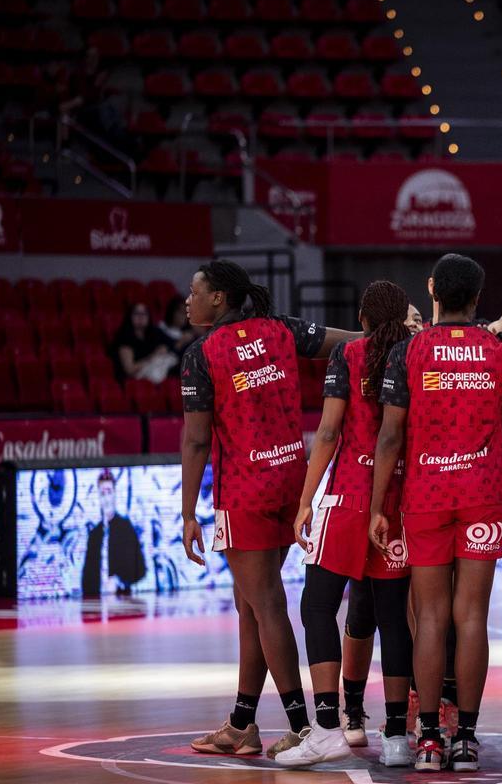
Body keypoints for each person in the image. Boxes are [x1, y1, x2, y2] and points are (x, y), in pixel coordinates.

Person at [370, 253, 502, 772]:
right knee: (471, 617)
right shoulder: (496, 349)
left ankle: (427, 740)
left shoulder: (409, 351)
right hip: (482, 493)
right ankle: (465, 739)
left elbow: (389, 436)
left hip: (424, 495)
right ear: (477, 297)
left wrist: (379, 505)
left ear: (433, 292)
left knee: (429, 618)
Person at [180, 259, 356, 759]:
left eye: (194, 291)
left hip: (246, 493)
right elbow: (349, 344)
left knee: (267, 606)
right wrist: (386, 332)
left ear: (218, 299)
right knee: (250, 606)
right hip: (290, 479)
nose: (187, 300)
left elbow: (195, 442)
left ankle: (303, 728)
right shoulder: (283, 330)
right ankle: (241, 723)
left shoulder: (202, 354)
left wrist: (189, 511)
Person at [275, 281, 416, 768]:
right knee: (394, 616)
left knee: (317, 606)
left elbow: (329, 432)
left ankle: (330, 726)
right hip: (401, 501)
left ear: (362, 318)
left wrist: (305, 498)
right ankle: (398, 735)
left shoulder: (350, 355)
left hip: (351, 494)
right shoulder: (419, 355)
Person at [337, 299, 428, 745]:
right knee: (366, 610)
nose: (414, 326)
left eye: (419, 321)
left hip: (415, 497)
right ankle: (353, 708)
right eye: (408, 320)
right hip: (374, 497)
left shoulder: (422, 359)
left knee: (416, 614)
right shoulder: (359, 359)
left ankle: (418, 707)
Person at [81, 469, 145, 597]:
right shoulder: (94, 535)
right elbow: (86, 579)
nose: (106, 498)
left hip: (122, 601)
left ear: (115, 494)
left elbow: (140, 570)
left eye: (109, 492)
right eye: (102, 493)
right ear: (98, 497)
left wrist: (119, 582)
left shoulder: (126, 528)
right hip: (98, 602)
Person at [111, 302, 178, 384]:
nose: (141, 316)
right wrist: (153, 356)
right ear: (130, 316)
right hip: (135, 381)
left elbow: (173, 344)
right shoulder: (124, 339)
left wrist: (163, 349)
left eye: (144, 313)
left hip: (154, 376)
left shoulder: (154, 333)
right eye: (137, 313)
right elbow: (130, 369)